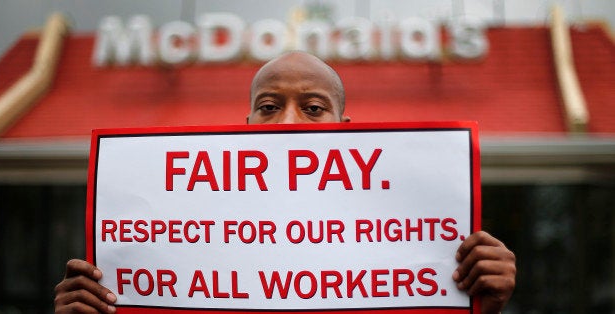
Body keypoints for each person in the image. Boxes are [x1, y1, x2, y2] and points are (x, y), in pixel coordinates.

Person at [54, 51, 516, 314]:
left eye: (313, 107)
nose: (288, 121)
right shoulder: (179, 232)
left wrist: (482, 307)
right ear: (249, 121)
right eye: (270, 105)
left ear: (345, 125)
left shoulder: (404, 238)